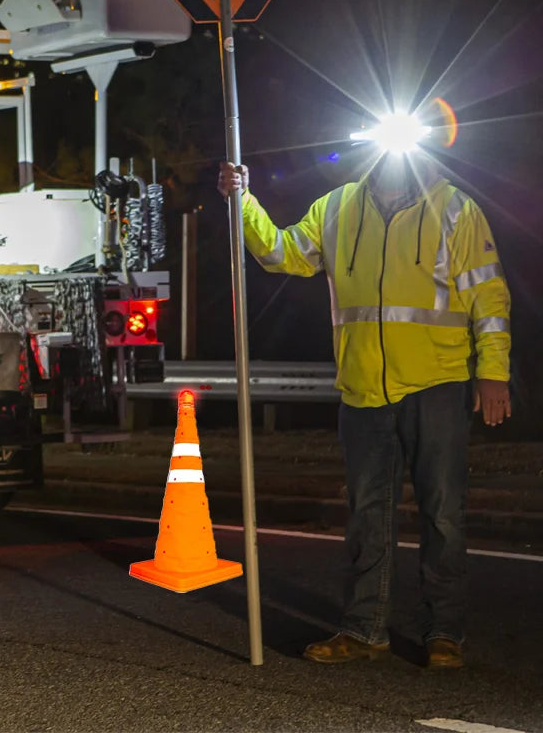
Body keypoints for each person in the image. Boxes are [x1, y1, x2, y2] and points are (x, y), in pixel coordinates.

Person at [218, 148, 511, 669]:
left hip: (436, 383)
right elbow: (284, 253)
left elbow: (488, 296)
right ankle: (362, 630)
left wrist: (493, 372)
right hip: (362, 390)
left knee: (443, 514)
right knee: (366, 517)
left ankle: (445, 632)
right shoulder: (337, 208)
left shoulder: (455, 209)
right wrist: (243, 202)